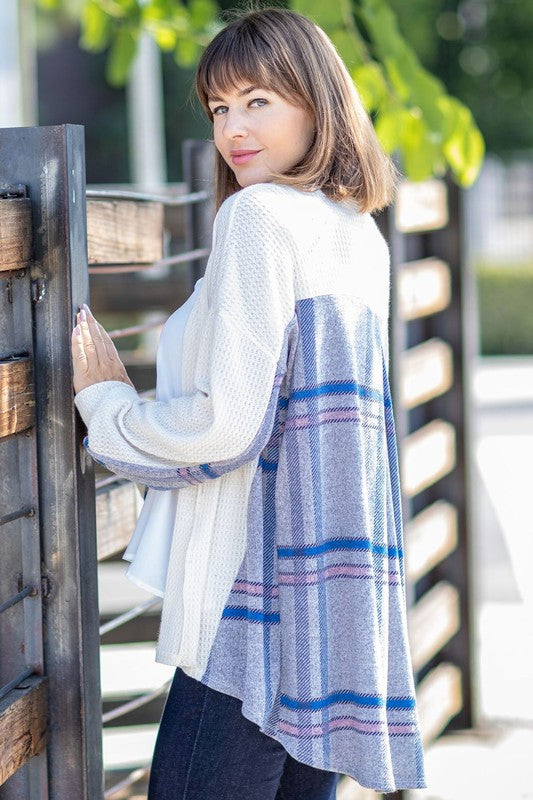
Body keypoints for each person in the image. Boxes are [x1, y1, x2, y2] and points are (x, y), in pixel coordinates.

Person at [71, 6, 426, 799]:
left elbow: (226, 423)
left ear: (316, 101)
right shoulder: (355, 233)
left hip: (251, 600)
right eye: (219, 108)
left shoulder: (258, 217)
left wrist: (107, 406)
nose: (234, 128)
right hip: (331, 608)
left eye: (258, 100)